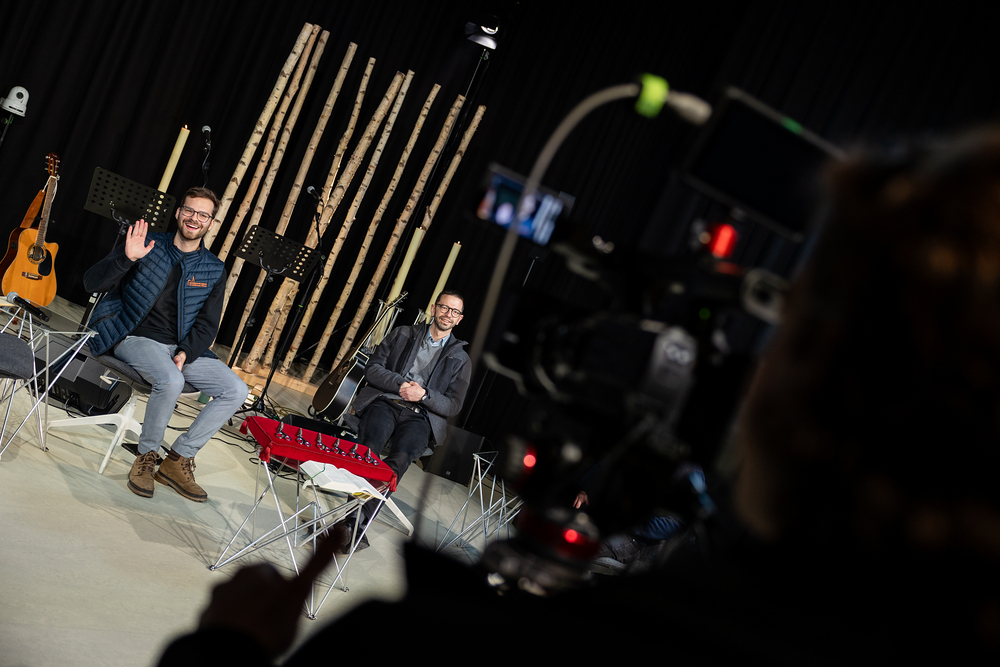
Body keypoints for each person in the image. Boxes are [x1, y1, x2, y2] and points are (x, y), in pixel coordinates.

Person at [158, 130, 1000, 663]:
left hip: (416, 434)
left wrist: (231, 646)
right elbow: (379, 370)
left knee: (404, 432)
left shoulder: (405, 640)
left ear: (807, 383)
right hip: (390, 402)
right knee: (380, 416)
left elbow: (448, 404)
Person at [84, 187, 247, 502]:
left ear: (211, 223)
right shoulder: (146, 244)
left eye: (203, 215)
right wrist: (126, 257)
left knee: (236, 390)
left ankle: (178, 459)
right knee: (172, 380)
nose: (194, 218)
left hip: (180, 347)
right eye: (189, 210)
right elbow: (92, 283)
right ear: (178, 213)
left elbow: (207, 324)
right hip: (134, 337)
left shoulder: (213, 268)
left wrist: (186, 352)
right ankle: (145, 457)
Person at [345, 288, 472, 548]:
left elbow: (453, 405)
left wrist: (423, 395)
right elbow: (372, 368)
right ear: (434, 308)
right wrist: (401, 385)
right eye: (444, 307)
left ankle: (356, 521)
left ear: (460, 319)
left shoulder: (461, 359)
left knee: (400, 459)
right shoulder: (403, 333)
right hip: (386, 402)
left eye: (454, 311)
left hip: (420, 416)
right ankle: (351, 523)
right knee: (369, 448)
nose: (448, 314)